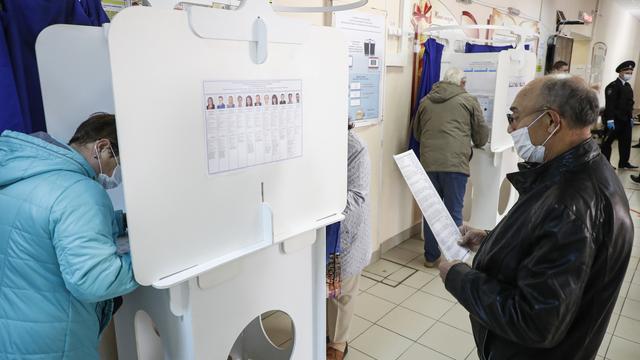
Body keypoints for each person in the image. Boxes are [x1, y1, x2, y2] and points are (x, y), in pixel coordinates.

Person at [438, 75, 633, 360]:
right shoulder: (578, 172)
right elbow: (545, 247)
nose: (510, 127)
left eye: (514, 117)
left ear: (552, 122)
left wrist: (457, 277)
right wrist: (491, 240)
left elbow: (534, 321)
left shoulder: (571, 205)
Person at [0, 113, 139, 359]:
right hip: (54, 340)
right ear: (103, 147)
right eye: (118, 163)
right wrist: (149, 262)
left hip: (14, 328)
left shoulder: (23, 173)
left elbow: (40, 229)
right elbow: (95, 281)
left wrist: (122, 221)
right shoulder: (80, 191)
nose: (116, 173)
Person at [412, 67, 489, 267]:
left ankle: (431, 257)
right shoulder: (469, 101)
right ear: (462, 83)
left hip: (428, 164)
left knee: (431, 211)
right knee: (453, 212)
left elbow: (417, 134)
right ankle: (454, 260)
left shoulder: (425, 101)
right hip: (455, 165)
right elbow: (481, 137)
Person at [326, 123, 372, 360]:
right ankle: (326, 332)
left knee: (340, 291)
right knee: (325, 286)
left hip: (343, 231)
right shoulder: (316, 142)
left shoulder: (354, 147)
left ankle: (337, 343)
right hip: (320, 230)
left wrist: (319, 203)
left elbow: (357, 195)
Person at [601, 60, 637, 169]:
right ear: (620, 72)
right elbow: (610, 104)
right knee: (607, 143)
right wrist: (610, 120)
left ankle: (624, 162)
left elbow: (630, 103)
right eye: (627, 71)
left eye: (631, 72)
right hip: (615, 120)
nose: (629, 74)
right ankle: (606, 164)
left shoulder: (628, 86)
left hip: (626, 119)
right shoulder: (612, 86)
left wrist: (631, 117)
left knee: (625, 142)